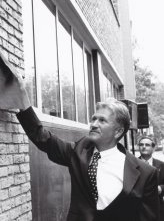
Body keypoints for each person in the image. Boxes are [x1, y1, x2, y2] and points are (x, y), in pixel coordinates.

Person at [17, 95, 159, 221]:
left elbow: (149, 217)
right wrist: (22, 101)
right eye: (93, 119)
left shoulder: (146, 173)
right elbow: (43, 139)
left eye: (102, 120)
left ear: (118, 131)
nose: (94, 124)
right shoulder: (77, 152)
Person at [138, 136, 164, 220]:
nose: (144, 146)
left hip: (157, 207)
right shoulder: (132, 163)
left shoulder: (161, 165)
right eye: (141, 144)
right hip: (138, 207)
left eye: (147, 145)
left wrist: (160, 188)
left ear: (153, 148)